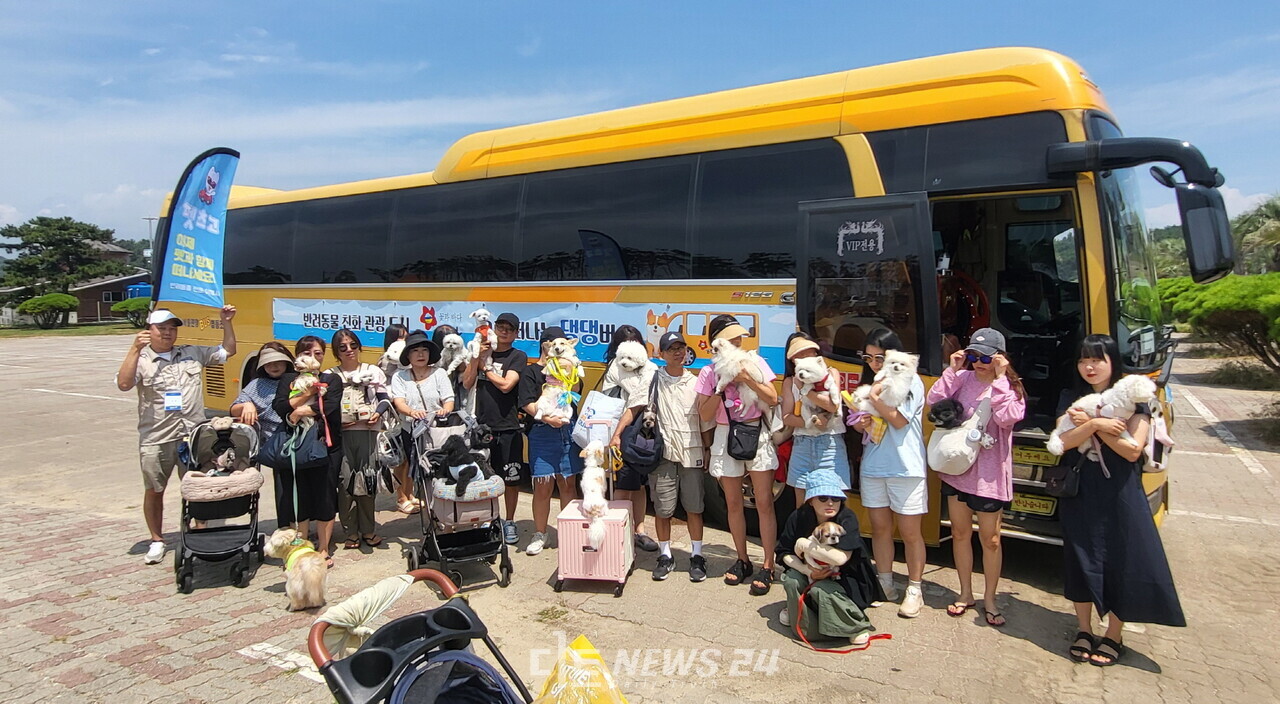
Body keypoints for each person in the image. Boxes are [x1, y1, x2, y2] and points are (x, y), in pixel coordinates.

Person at [1053, 334, 1185, 666]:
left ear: (1113, 362)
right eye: (1083, 360)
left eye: (1097, 360)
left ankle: (1113, 635)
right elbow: (1062, 441)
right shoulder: (1070, 396)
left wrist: (1090, 426)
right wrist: (1099, 423)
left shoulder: (1134, 399)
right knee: (1080, 559)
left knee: (1122, 560)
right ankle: (1084, 629)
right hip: (1081, 489)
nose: (1089, 367)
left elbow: (1131, 450)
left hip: (1120, 490)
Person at [116, 306, 237, 565]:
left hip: (192, 435)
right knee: (154, 489)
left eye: (172, 328)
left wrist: (226, 322)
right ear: (149, 330)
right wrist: (134, 349)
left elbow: (228, 351)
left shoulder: (191, 353)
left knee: (197, 487)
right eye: (161, 328)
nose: (168, 333)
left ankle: (200, 533)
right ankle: (157, 540)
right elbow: (124, 384)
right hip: (157, 437)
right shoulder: (142, 359)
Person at [925, 327, 1025, 627]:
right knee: (959, 533)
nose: (979, 363)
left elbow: (1008, 418)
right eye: (974, 356)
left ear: (1000, 358)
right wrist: (953, 369)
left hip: (990, 474)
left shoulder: (1010, 386)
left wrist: (1001, 379)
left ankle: (990, 599)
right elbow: (934, 400)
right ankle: (965, 592)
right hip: (958, 470)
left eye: (985, 357)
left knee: (991, 539)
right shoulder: (963, 378)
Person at [611, 331, 712, 581]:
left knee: (695, 508)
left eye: (681, 348)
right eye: (672, 349)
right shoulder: (652, 379)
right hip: (662, 454)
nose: (678, 353)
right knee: (663, 509)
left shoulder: (696, 382)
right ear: (662, 354)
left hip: (692, 453)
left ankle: (696, 555)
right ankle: (665, 555)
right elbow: (633, 408)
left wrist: (709, 449)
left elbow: (704, 421)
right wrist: (617, 434)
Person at [695, 314, 780, 595]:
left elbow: (772, 397)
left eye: (738, 338)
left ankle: (768, 564)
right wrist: (720, 386)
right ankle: (742, 559)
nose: (737, 342)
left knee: (764, 502)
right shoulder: (709, 372)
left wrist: (745, 378)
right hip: (725, 433)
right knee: (733, 503)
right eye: (731, 339)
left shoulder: (754, 362)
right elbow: (704, 414)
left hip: (756, 431)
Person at [848, 328, 929, 618]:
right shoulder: (873, 382)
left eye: (879, 358)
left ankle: (915, 589)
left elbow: (899, 420)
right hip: (874, 465)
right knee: (880, 528)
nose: (873, 364)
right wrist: (861, 422)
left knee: (910, 532)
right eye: (868, 358)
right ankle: (885, 583)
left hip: (906, 467)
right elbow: (869, 422)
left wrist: (874, 397)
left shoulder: (910, 379)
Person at [776, 471, 884, 646]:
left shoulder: (847, 518)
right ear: (811, 500)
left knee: (821, 589)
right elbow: (784, 552)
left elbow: (840, 558)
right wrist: (807, 571)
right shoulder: (798, 516)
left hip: (846, 579)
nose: (831, 503)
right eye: (823, 498)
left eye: (836, 498)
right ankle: (800, 610)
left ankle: (854, 624)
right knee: (792, 579)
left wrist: (805, 545)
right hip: (810, 571)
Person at [272, 335, 345, 568]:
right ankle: (301, 547)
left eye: (318, 353)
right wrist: (307, 395)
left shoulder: (332, 379)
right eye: (306, 353)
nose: (313, 357)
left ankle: (323, 548)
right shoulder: (288, 379)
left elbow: (329, 406)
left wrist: (298, 411)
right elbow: (280, 406)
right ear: (297, 356)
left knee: (325, 496)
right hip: (295, 446)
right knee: (298, 497)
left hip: (325, 445)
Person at [461, 312, 528, 545]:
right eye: (500, 327)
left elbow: (507, 385)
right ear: (493, 328)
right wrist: (476, 359)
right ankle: (488, 519)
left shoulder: (518, 356)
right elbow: (467, 383)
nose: (504, 332)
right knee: (482, 478)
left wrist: (486, 368)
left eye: (509, 329)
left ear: (516, 333)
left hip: (508, 426)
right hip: (481, 427)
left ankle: (509, 521)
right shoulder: (481, 352)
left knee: (511, 479)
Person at [518, 326, 584, 556]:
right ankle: (540, 532)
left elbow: (576, 392)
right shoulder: (531, 372)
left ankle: (569, 532)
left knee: (568, 484)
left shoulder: (571, 364)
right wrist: (546, 418)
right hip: (542, 432)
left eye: (562, 343)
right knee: (542, 485)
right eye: (553, 344)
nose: (557, 348)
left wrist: (569, 368)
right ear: (545, 345)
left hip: (567, 430)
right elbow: (526, 402)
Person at [329, 329, 392, 551]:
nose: (349, 350)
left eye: (353, 345)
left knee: (367, 479)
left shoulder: (373, 371)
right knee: (345, 482)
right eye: (343, 347)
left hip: (368, 432)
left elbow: (384, 398)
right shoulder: (330, 375)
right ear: (336, 352)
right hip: (342, 436)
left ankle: (368, 529)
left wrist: (378, 413)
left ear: (359, 347)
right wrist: (337, 422)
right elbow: (324, 408)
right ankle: (350, 531)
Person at [600, 324, 659, 553]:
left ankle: (639, 530)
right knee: (622, 485)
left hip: (641, 432)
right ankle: (617, 532)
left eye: (635, 344)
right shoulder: (617, 366)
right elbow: (639, 394)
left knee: (640, 485)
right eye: (624, 346)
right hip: (620, 432)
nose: (628, 352)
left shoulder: (648, 367)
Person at [780, 332, 850, 504]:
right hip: (802, 445)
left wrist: (806, 391)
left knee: (833, 503)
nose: (804, 355)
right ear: (792, 359)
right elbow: (786, 417)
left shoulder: (830, 373)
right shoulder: (790, 382)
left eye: (808, 351)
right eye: (798, 353)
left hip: (830, 444)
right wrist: (810, 422)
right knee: (803, 505)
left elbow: (833, 405)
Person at [390, 331, 457, 501]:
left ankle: (438, 504)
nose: (421, 354)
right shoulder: (400, 376)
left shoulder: (439, 373)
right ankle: (412, 499)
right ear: (408, 355)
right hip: (411, 430)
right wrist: (412, 412)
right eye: (415, 350)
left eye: (424, 350)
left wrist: (445, 410)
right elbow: (399, 402)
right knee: (414, 467)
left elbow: (449, 399)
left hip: (437, 432)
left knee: (439, 469)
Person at [231, 341, 294, 521]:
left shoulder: (297, 380)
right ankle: (286, 525)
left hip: (299, 438)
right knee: (283, 488)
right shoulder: (257, 384)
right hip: (275, 443)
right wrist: (246, 404)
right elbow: (234, 408)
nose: (274, 366)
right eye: (268, 363)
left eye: (278, 362)